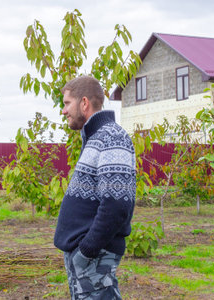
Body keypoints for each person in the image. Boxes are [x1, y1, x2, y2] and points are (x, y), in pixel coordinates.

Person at [54, 76, 136, 300]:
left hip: (94, 256)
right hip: (88, 258)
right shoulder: (96, 138)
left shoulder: (112, 137)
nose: (63, 111)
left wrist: (86, 252)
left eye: (66, 103)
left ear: (84, 103)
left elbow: (117, 205)